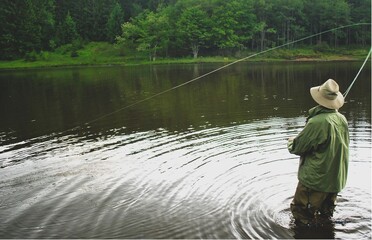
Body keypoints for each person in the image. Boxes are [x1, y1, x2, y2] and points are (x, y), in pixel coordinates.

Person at [287, 79, 349, 226]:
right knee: (326, 216)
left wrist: (291, 140)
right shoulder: (342, 119)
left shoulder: (317, 122)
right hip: (335, 180)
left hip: (315, 181)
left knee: (301, 216)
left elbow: (297, 147)